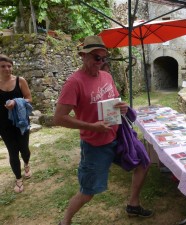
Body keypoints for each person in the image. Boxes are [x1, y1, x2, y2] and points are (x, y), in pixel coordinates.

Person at [54, 35, 153, 225]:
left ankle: (133, 204)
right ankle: (65, 221)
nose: (100, 63)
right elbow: (59, 118)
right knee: (88, 192)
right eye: (95, 58)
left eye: (103, 58)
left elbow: (115, 100)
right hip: (95, 145)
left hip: (118, 136)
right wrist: (92, 126)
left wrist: (122, 106)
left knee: (143, 162)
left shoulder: (106, 76)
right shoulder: (74, 83)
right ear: (83, 55)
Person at [0, 54, 33, 193]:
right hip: (3, 124)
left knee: (24, 150)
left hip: (21, 122)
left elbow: (29, 98)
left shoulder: (20, 81)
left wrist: (16, 102)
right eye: (3, 66)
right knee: (12, 152)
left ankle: (26, 163)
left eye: (9, 66)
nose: (7, 69)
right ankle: (18, 179)